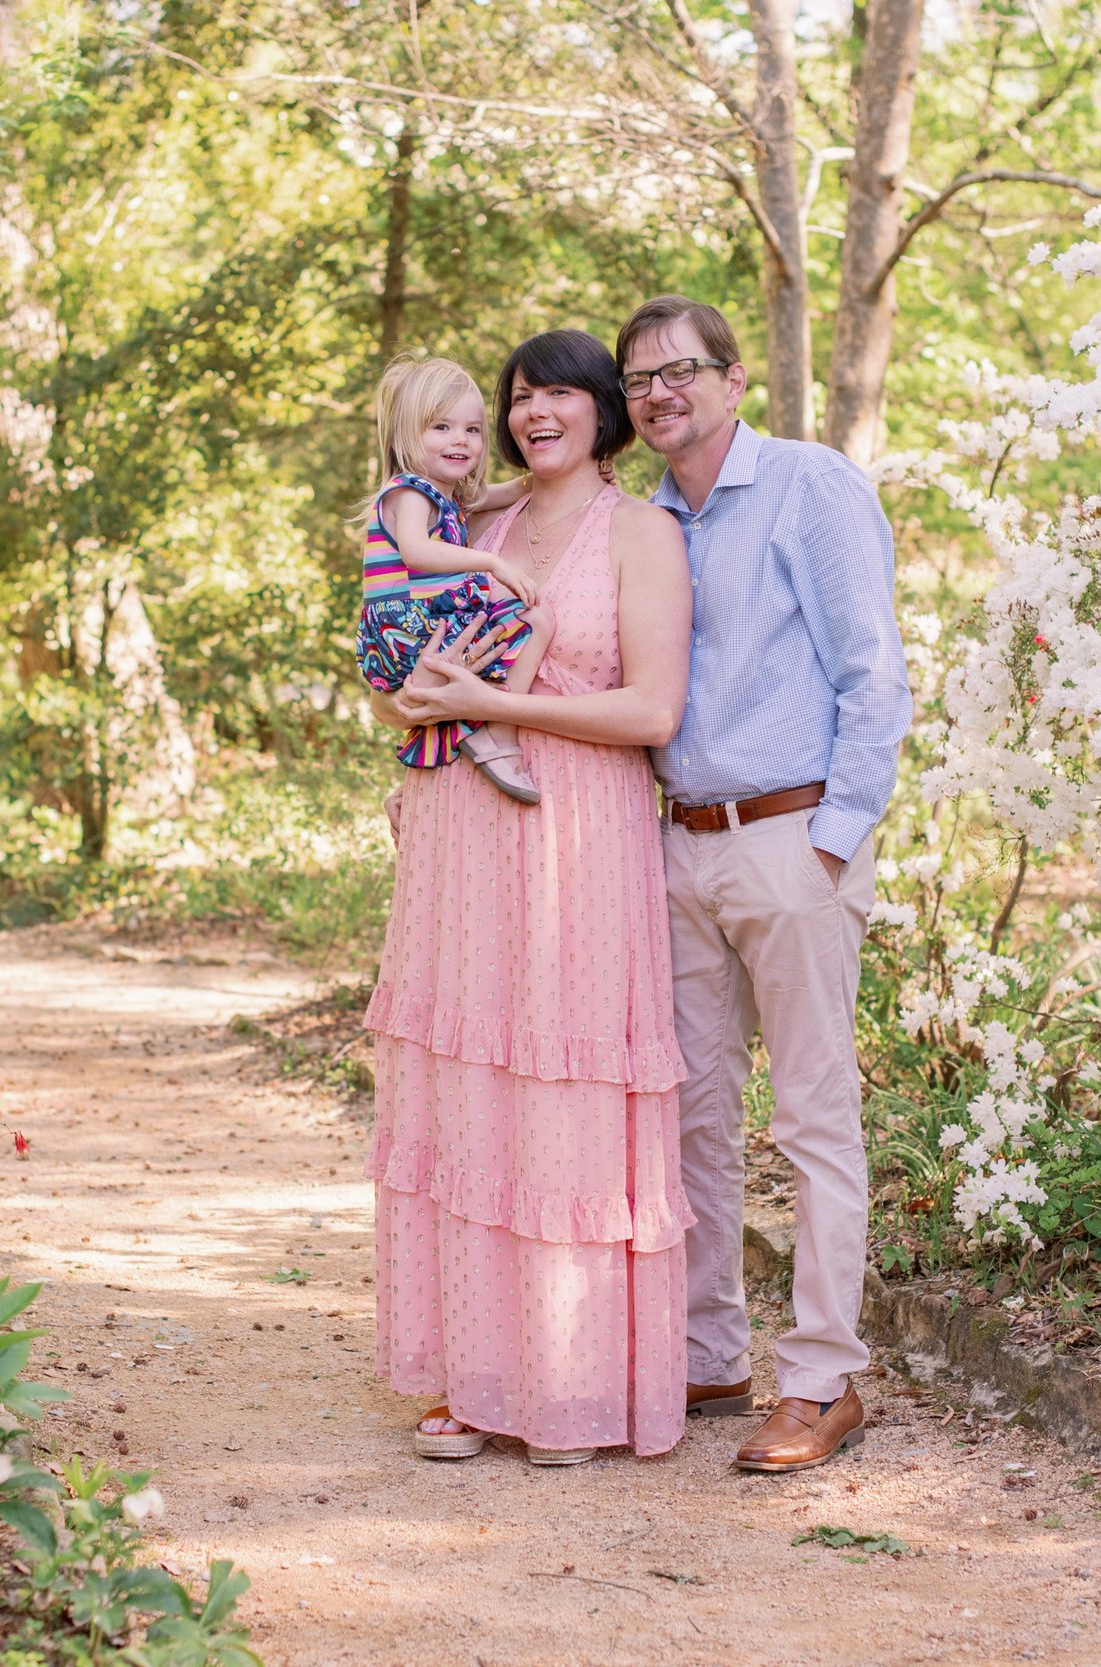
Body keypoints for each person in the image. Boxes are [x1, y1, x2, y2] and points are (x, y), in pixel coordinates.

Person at [365, 328, 694, 1465]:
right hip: (460, 832)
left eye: (558, 392)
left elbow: (651, 712)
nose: (532, 410)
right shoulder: (472, 525)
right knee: (471, 1096)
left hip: (581, 841)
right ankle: (470, 1374)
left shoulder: (641, 533)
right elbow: (399, 676)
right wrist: (422, 699)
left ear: (603, 409)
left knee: (562, 1092)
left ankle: (569, 1383)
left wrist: (515, 712)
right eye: (518, 396)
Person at [619, 295, 911, 1474]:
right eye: (638, 382)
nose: (659, 393)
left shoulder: (808, 485)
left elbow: (872, 669)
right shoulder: (641, 522)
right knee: (690, 1113)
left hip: (792, 836)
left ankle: (824, 1377)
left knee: (810, 1114)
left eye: (681, 370)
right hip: (677, 842)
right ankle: (710, 1350)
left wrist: (837, 837)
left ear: (734, 380)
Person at [354, 355, 550, 803]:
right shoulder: (409, 492)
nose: (460, 440)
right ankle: (498, 734)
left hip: (412, 633)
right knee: (538, 621)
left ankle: (430, 769)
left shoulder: (445, 496)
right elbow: (415, 550)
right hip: (412, 630)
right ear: (408, 434)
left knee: (504, 633)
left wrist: (545, 474)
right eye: (441, 428)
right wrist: (491, 563)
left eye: (472, 430)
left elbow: (500, 493)